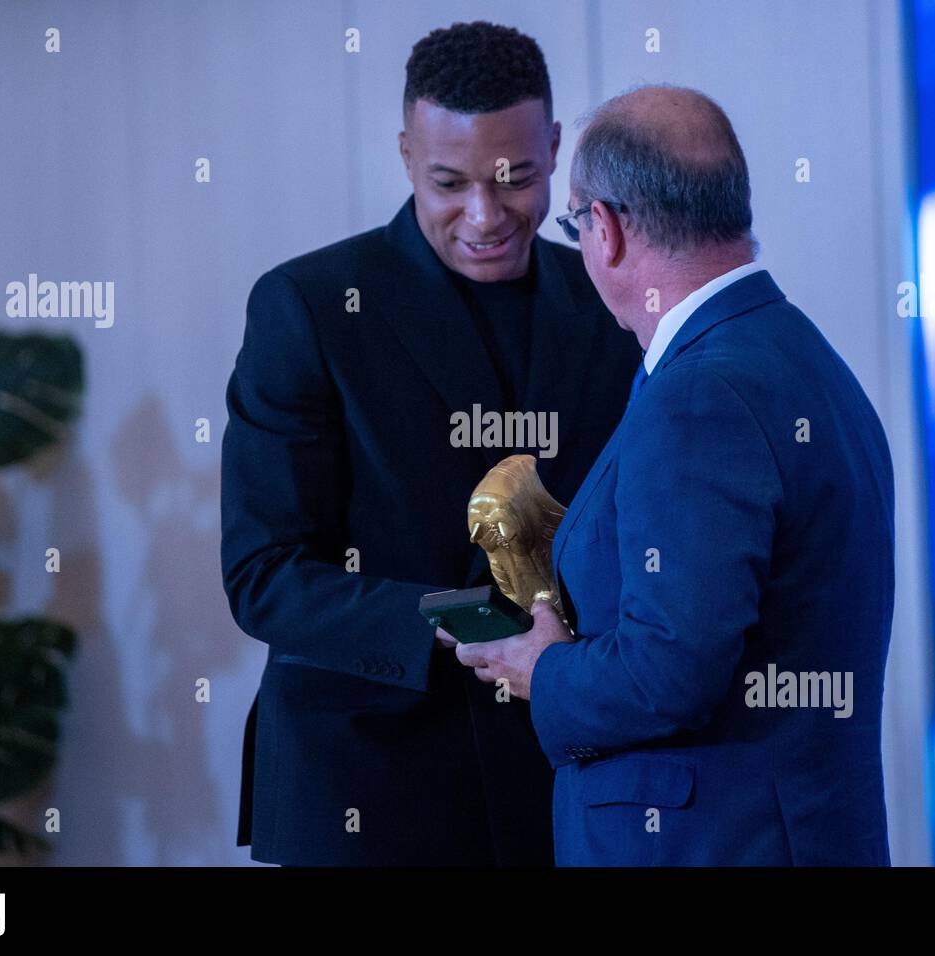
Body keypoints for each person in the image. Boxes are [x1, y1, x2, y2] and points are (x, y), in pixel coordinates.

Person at [220, 22, 641, 865]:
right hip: (363, 785)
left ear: (555, 148)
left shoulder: (606, 298)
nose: (485, 215)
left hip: (555, 778)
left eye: (517, 178)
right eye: (449, 182)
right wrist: (457, 628)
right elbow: (263, 577)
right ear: (407, 154)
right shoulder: (306, 306)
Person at [454, 85, 895, 865]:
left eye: (574, 223)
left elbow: (669, 671)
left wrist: (544, 669)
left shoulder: (699, 394)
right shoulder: (797, 355)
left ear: (608, 229)